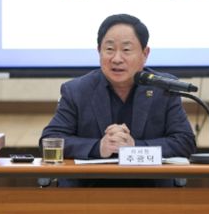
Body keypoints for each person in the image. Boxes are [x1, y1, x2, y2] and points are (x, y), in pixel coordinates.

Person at [40, 14, 196, 184]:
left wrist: (134, 148)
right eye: (109, 49)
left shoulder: (163, 88)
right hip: (88, 190)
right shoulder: (77, 90)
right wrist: (99, 147)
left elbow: (184, 142)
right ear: (99, 51)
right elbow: (50, 140)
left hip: (150, 189)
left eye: (126, 50)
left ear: (145, 53)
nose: (116, 59)